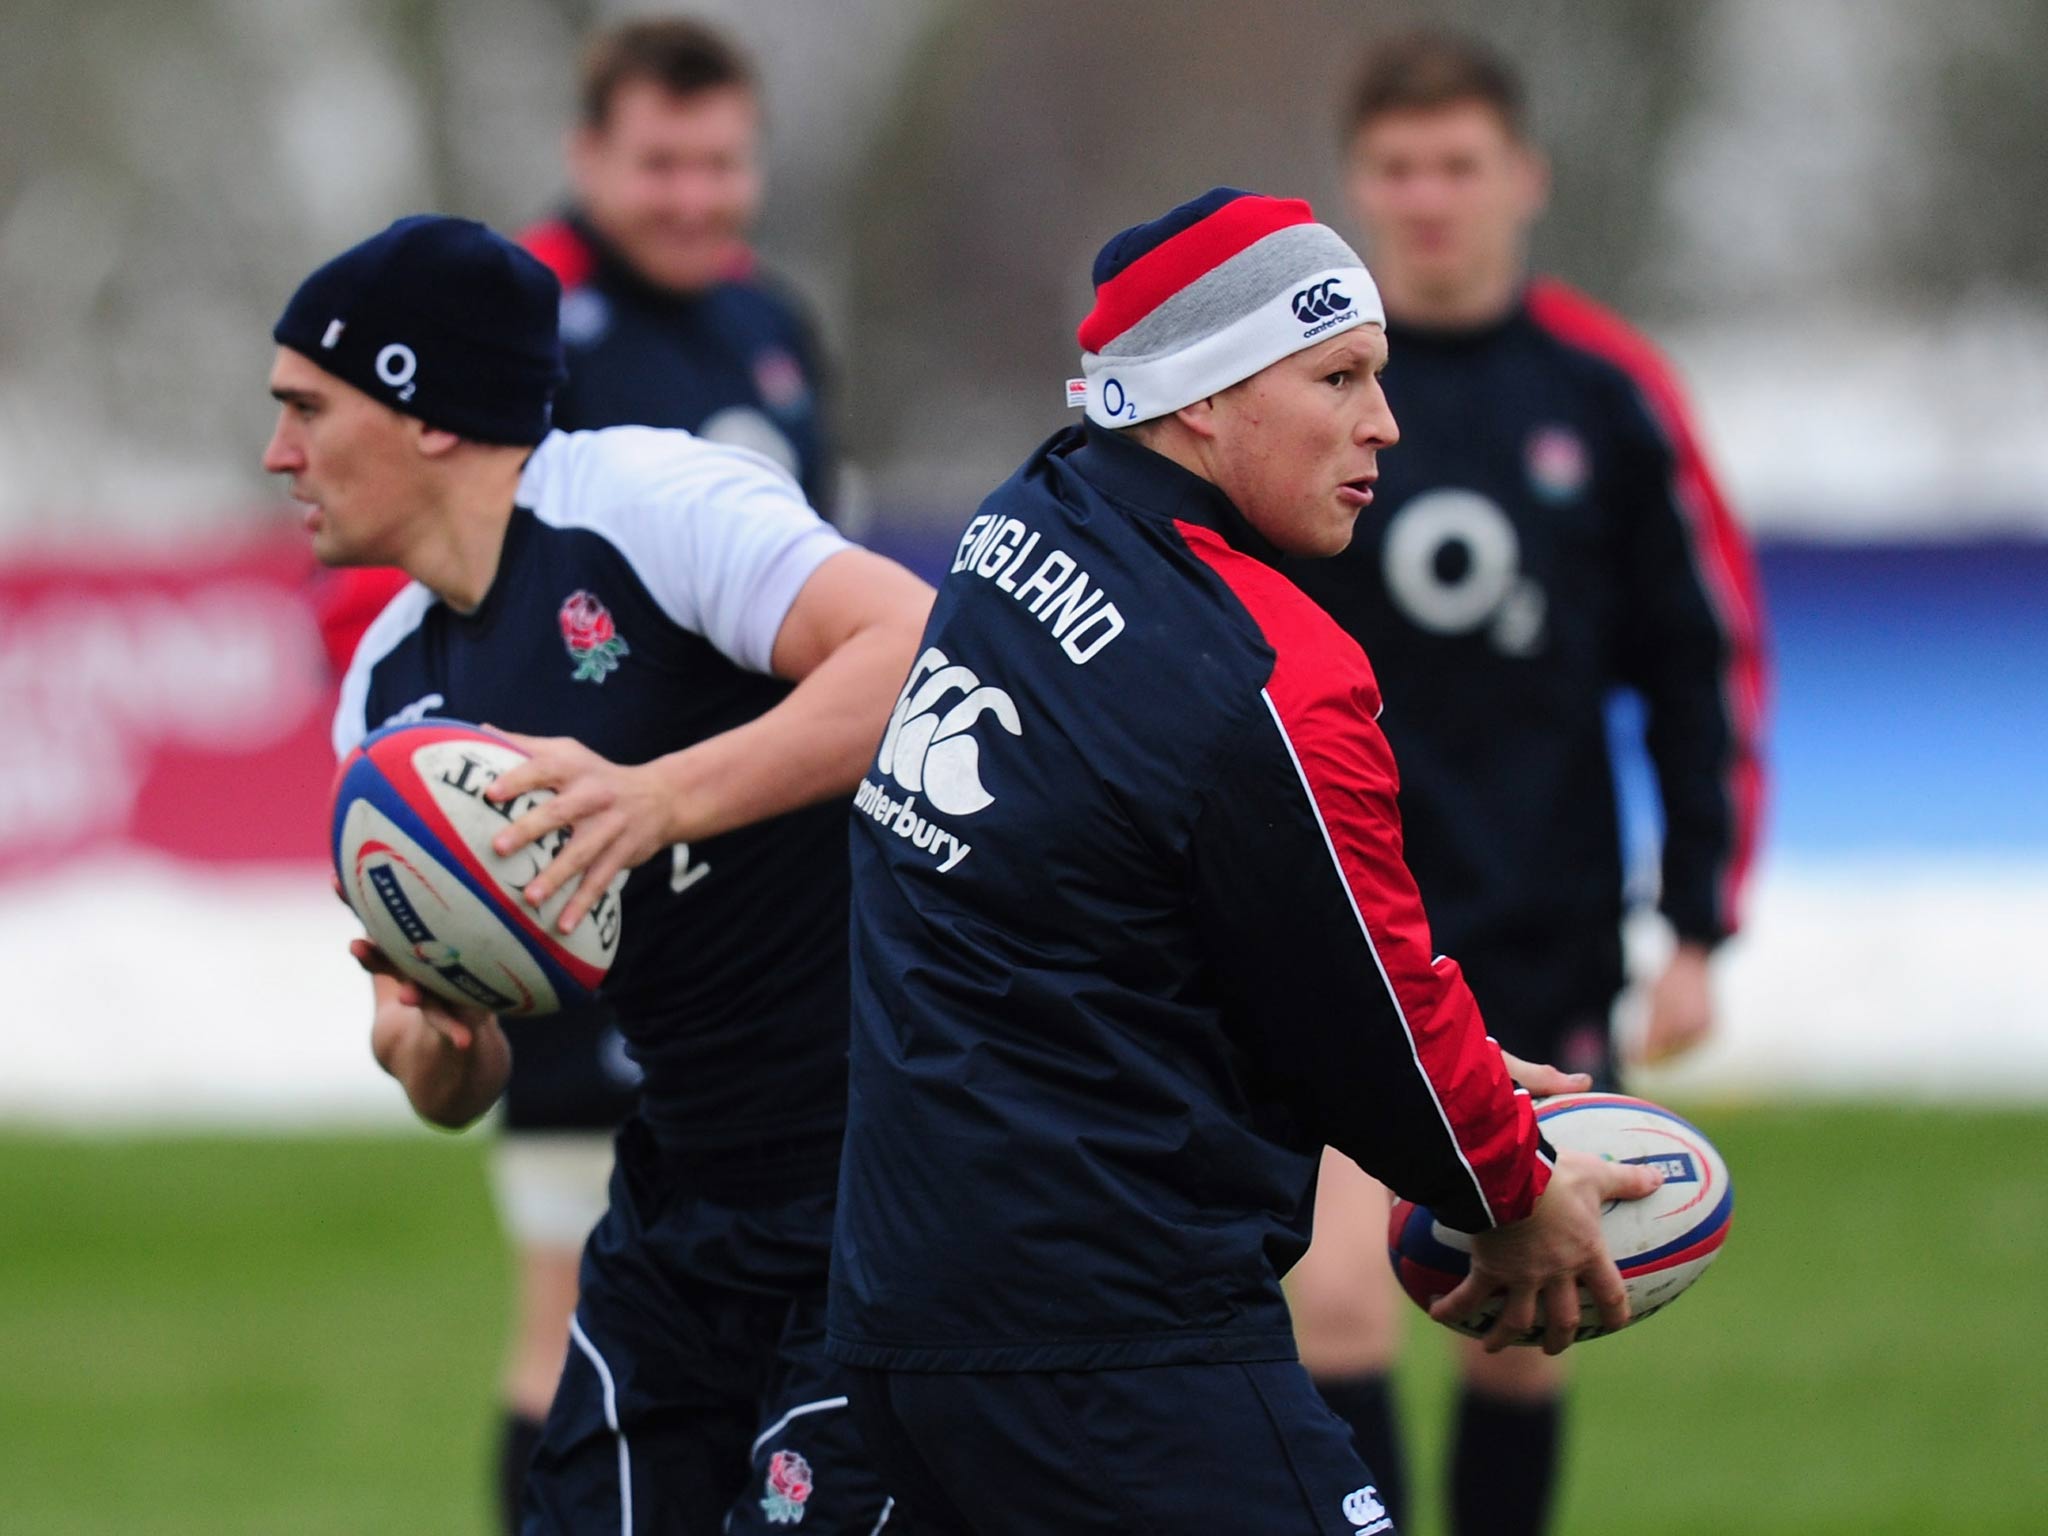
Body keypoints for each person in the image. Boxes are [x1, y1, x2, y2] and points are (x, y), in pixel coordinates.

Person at [823, 187, 1664, 1535]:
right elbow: (1370, 989)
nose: (1384, 424)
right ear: (1200, 400)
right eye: (1338, 378)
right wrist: (1509, 1185)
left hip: (897, 1303)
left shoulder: (1018, 526)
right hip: (1112, 1339)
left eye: (1379, 378)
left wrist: (1437, 1087)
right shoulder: (1266, 669)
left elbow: (1149, 934)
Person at [264, 214, 930, 1534]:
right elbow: (453, 1086)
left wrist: (657, 799)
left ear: (423, 410)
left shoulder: (642, 503)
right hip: (684, 1192)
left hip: (889, 1179)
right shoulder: (387, 703)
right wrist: (437, 1034)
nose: (277, 453)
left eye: (305, 409)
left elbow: (915, 647)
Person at [1281, 32, 1769, 1536]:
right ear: (1356, 188)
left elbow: (1700, 662)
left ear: (1523, 180)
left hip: (1539, 918)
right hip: (1327, 923)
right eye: (1397, 171)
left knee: (1526, 1325)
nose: (1428, 200)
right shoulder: (1296, 392)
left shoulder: (1606, 393)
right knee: (1340, 1307)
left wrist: (1695, 923)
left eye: (1458, 167)